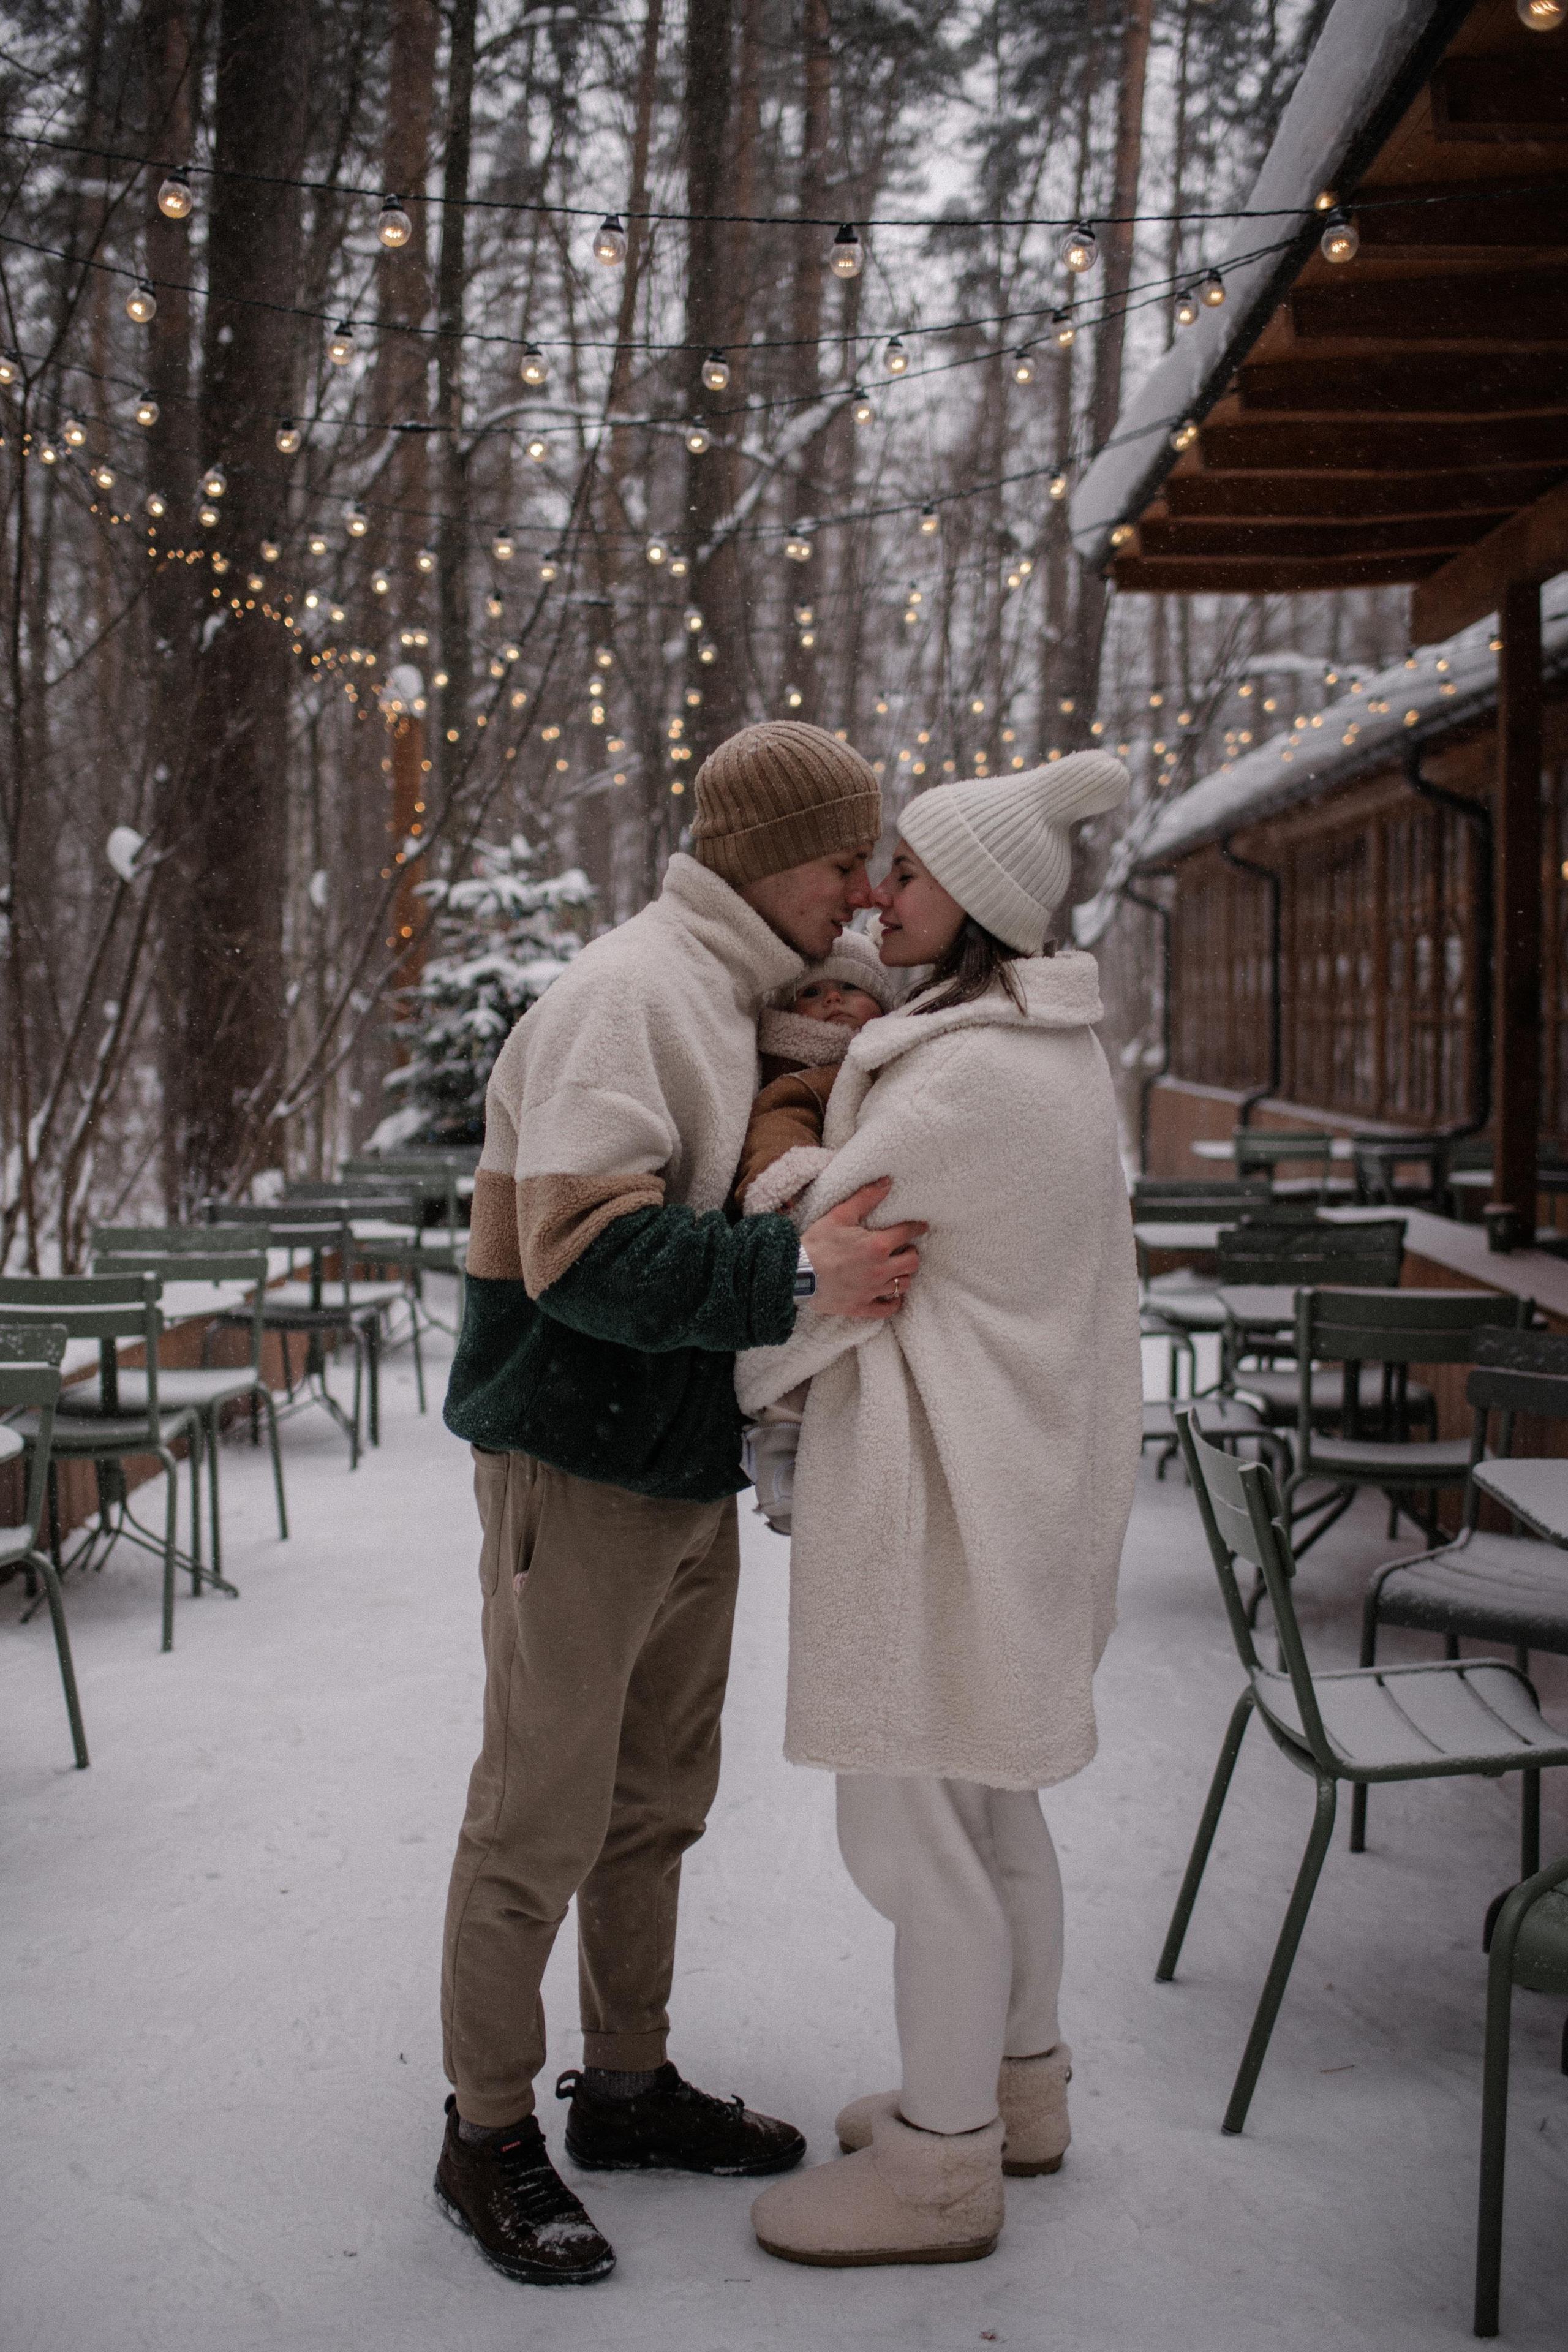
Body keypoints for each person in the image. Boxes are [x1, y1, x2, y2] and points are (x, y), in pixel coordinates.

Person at [435, 720, 929, 2288]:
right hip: (569, 1462)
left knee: (653, 1802)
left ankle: (629, 2087)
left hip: (668, 1457)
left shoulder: (727, 995)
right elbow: (583, 1250)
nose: (863, 891)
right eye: (844, 856)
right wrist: (796, 1272)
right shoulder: (627, 996)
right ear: (763, 852)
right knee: (537, 1813)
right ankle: (485, 2128)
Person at [737, 752, 1143, 2270]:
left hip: (938, 1505)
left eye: (902, 873)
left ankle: (937, 2163)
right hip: (1010, 1492)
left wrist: (775, 1142)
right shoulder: (1039, 1051)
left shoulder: (967, 1079)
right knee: (991, 1802)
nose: (872, 896)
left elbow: (809, 1242)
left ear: (970, 899)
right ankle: (1012, 2091)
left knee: (906, 1831)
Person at [733, 928, 901, 1217]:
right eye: (812, 992)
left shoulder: (898, 1054)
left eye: (850, 987)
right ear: (788, 1014)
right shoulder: (801, 1078)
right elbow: (778, 1124)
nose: (834, 998)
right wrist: (786, 1175)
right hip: (833, 1206)